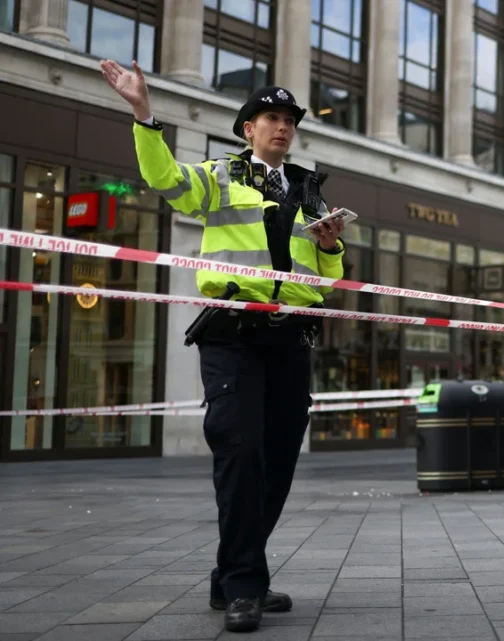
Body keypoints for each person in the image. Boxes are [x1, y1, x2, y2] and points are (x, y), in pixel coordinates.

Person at [99, 59, 347, 632]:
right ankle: (242, 586)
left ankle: (233, 575)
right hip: (232, 334)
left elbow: (325, 278)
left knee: (279, 463)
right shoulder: (218, 176)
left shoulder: (309, 191)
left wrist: (331, 247)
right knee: (239, 454)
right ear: (247, 129)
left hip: (291, 337)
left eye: (289, 119)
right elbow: (164, 180)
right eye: (270, 117)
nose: (281, 127)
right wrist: (143, 111)